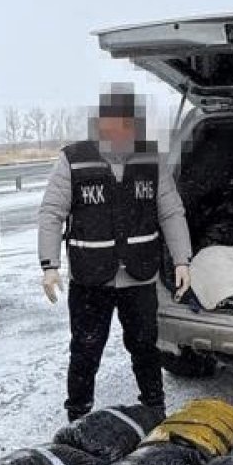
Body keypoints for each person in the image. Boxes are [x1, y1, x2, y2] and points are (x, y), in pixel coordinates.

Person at [37, 84, 193, 421]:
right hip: (90, 277)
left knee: (144, 347)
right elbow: (52, 213)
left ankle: (154, 409)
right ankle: (77, 416)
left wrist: (183, 259)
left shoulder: (152, 159)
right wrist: (49, 265)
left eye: (127, 124)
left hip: (140, 274)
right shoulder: (73, 159)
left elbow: (171, 211)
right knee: (85, 349)